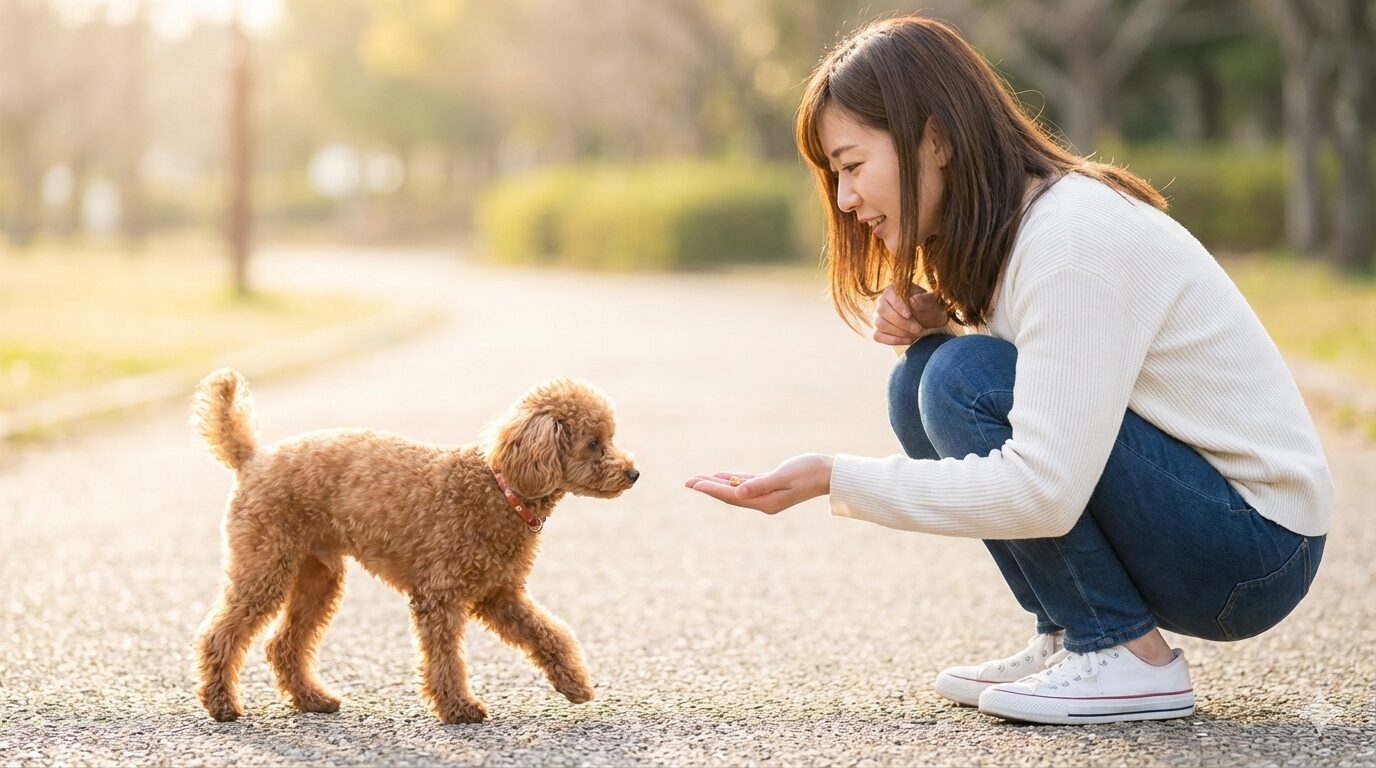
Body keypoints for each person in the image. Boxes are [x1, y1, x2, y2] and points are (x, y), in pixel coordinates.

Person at [684, 15, 1332, 726]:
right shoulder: (1021, 232)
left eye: (851, 166)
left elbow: (1045, 488)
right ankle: (1072, 633)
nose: (844, 200)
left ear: (934, 139)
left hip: (1254, 548)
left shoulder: (1071, 237)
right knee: (924, 377)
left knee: (960, 377)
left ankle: (1119, 651)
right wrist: (947, 322)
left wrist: (834, 478)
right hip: (1209, 528)